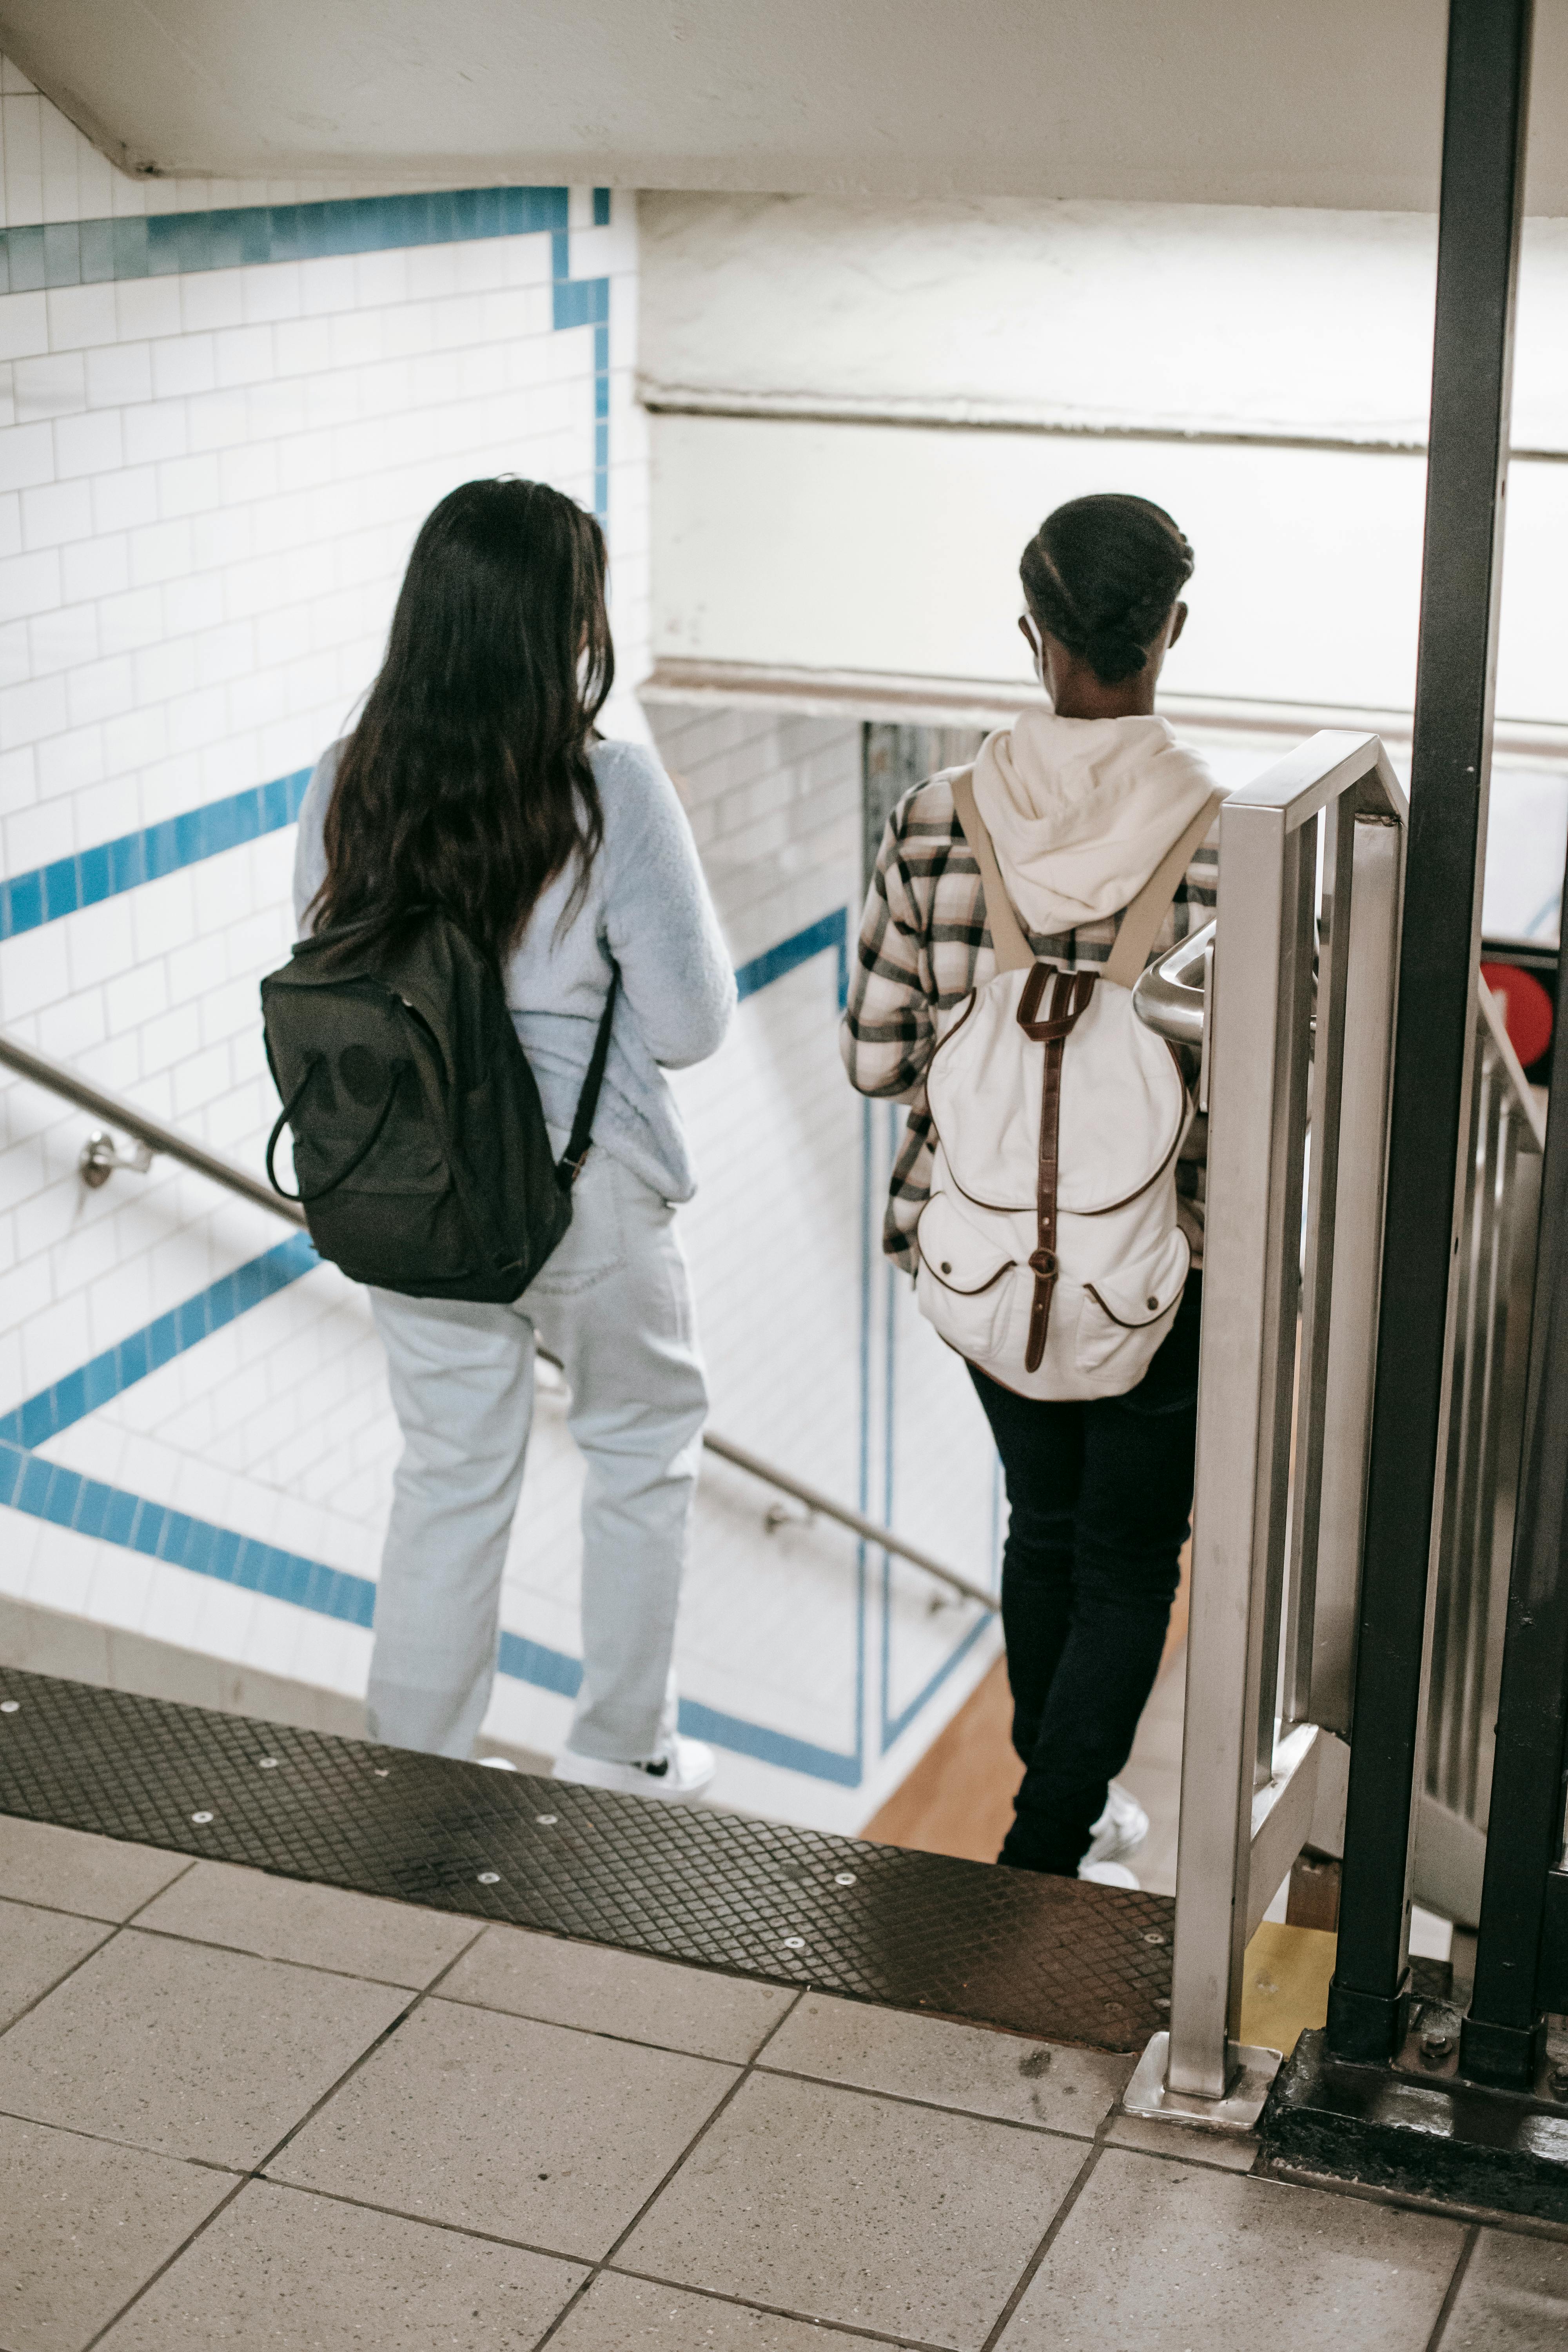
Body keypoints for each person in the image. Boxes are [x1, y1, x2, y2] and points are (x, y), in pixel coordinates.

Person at [292, 477, 735, 1797]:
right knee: (641, 1450)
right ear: (566, 622)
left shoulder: (348, 781)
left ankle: (421, 1761)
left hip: (414, 1185)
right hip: (580, 1189)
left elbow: (330, 972)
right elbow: (691, 1024)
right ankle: (617, 1753)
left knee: (447, 1472)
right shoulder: (608, 791)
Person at [840, 493, 1218, 1885]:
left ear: (1032, 636)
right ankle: (1049, 1846)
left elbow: (880, 1060)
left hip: (982, 1266)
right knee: (1128, 1559)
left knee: (1039, 1527)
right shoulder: (1244, 838)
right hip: (1161, 1272)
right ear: (1170, 630)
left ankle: (1061, 1819)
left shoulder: (935, 818)